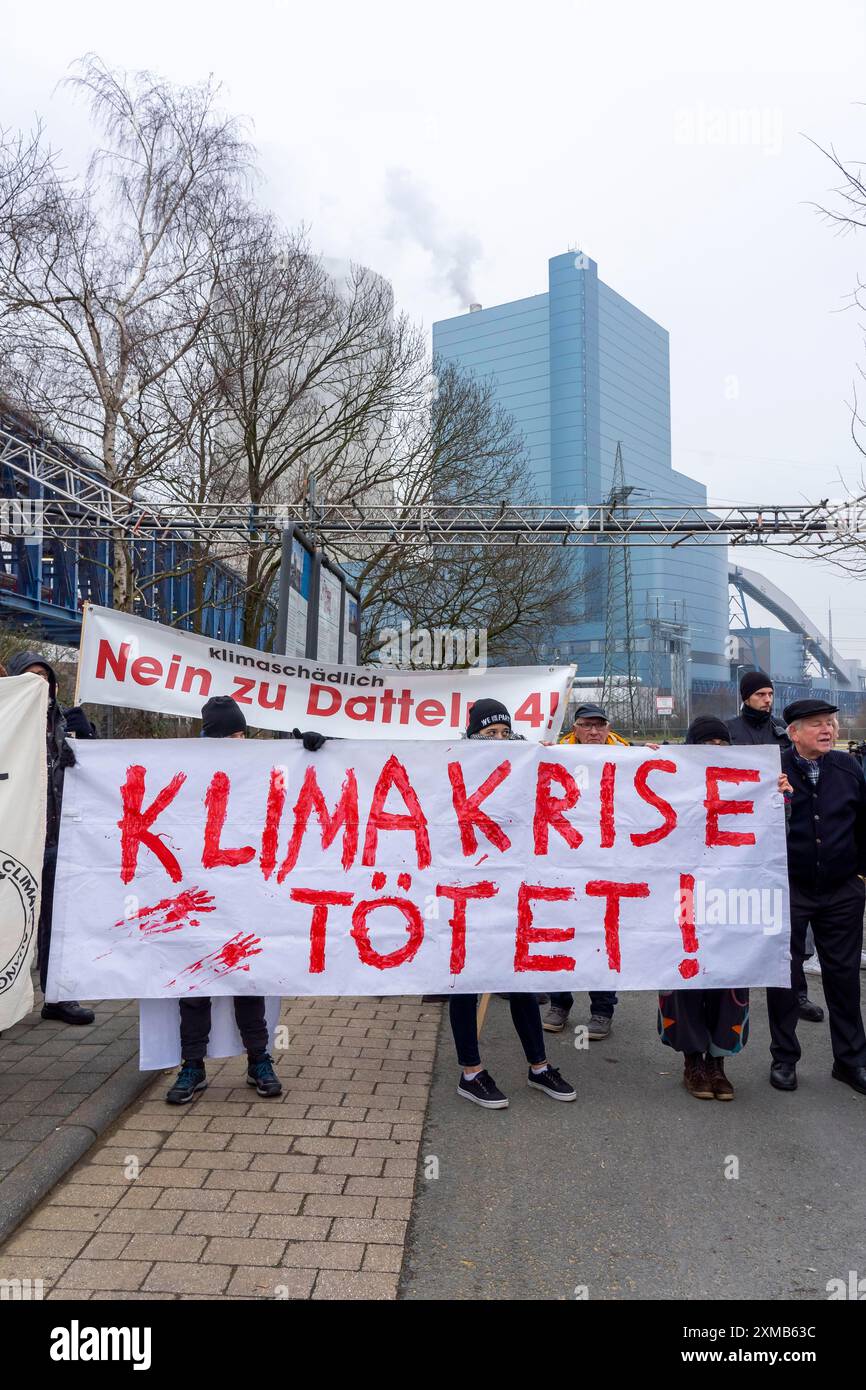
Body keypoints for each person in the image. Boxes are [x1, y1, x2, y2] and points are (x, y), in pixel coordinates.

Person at [449, 698, 577, 1108]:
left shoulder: (525, 765)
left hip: (511, 895)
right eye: (490, 734)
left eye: (505, 733)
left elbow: (588, 778)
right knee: (466, 983)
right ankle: (471, 1073)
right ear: (472, 736)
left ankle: (539, 1067)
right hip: (465, 894)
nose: (500, 741)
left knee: (522, 979)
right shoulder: (448, 765)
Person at [657, 715, 793, 1099]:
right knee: (687, 978)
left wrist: (777, 795)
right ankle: (692, 1060)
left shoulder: (744, 784)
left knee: (729, 978)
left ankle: (718, 1061)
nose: (715, 752)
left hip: (733, 899)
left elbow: (773, 836)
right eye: (706, 745)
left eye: (722, 745)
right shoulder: (674, 784)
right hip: (682, 899)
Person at [166, 696, 283, 1104]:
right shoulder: (188, 770)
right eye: (230, 735)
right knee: (194, 982)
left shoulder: (257, 769)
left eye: (242, 734)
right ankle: (192, 1065)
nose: (239, 741)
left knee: (248, 978)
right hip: (198, 896)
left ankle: (259, 1058)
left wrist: (310, 749)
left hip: (245, 893)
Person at [767, 699, 866, 1095]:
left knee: (843, 978)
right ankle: (784, 1058)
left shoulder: (848, 767)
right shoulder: (772, 770)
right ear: (793, 733)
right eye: (816, 725)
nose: (828, 730)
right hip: (790, 887)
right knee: (785, 977)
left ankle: (851, 1060)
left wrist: (860, 874)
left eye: (831, 723)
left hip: (842, 889)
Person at [7, 649, 99, 1025]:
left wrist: (86, 737)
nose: (41, 686)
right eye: (31, 677)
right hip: (16, 837)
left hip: (57, 835)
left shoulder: (62, 721)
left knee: (57, 921)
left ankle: (58, 996)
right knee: (10, 916)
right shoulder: (6, 721)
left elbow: (97, 774)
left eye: (46, 679)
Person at [726, 671, 823, 1024]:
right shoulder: (729, 731)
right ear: (746, 696)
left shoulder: (784, 731)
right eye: (761, 694)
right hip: (737, 838)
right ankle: (735, 988)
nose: (767, 699)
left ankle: (796, 994)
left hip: (783, 835)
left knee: (790, 925)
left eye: (770, 693)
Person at [544, 702, 623, 1037]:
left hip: (606, 863)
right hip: (562, 861)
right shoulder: (555, 755)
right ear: (574, 728)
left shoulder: (627, 755)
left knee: (602, 936)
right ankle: (560, 1002)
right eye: (587, 725)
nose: (594, 732)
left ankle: (602, 1009)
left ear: (608, 728)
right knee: (560, 931)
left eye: (599, 726)